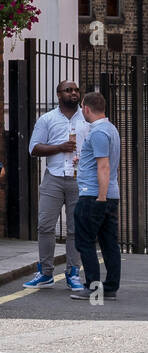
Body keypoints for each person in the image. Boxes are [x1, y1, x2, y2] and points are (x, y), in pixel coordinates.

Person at [23, 80, 87, 289]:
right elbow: (34, 148)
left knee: (76, 228)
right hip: (54, 177)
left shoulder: (87, 118)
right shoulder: (47, 119)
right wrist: (60, 147)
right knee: (45, 225)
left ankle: (73, 273)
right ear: (59, 95)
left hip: (79, 178)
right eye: (69, 90)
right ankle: (45, 272)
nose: (74, 93)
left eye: (76, 90)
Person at [70, 91, 120, 301]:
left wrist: (100, 197)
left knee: (85, 242)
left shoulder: (98, 132)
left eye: (82, 108)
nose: (82, 111)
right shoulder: (111, 129)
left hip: (94, 195)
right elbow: (101, 162)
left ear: (87, 108)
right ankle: (109, 287)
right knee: (109, 243)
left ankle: (93, 287)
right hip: (110, 194)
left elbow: (104, 166)